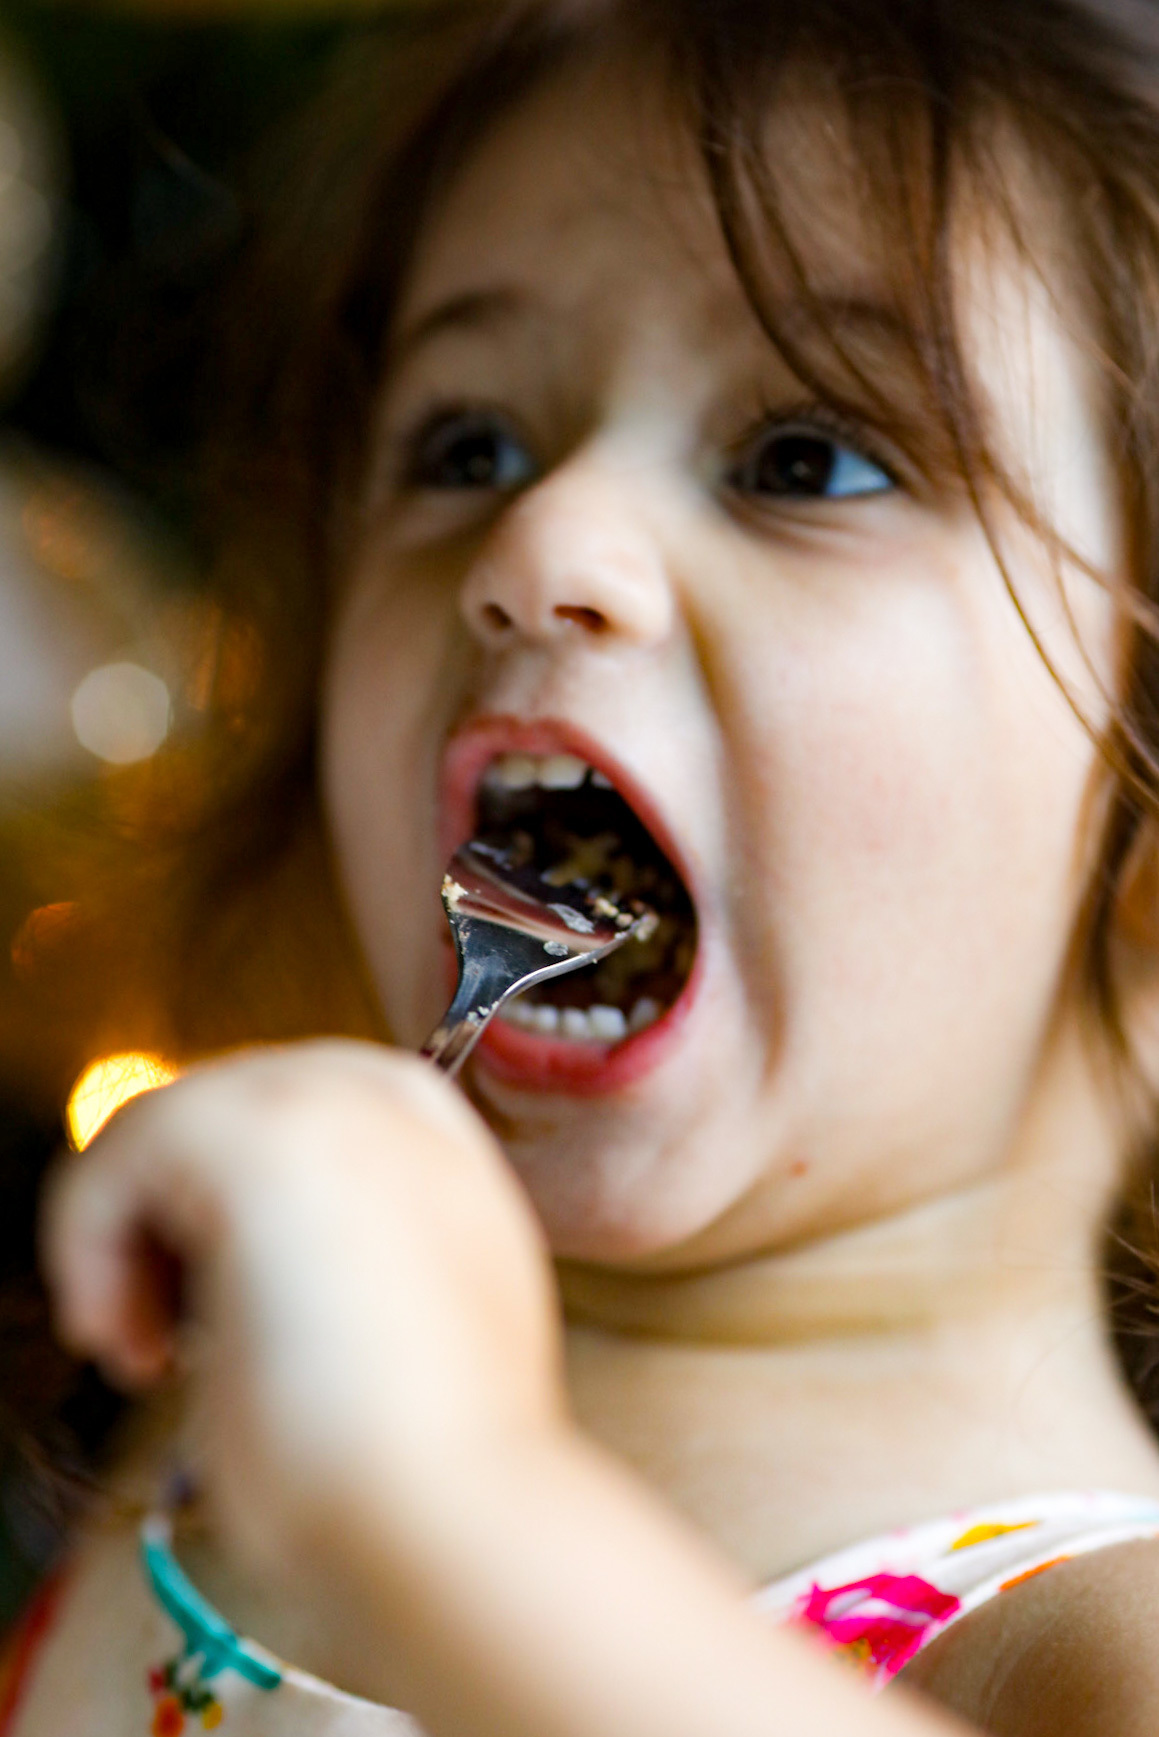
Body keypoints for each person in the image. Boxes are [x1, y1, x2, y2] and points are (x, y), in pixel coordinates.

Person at [16, 0, 1159, 1730]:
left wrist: (443, 1503)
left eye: (808, 459)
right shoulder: (258, 1399)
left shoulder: (1093, 1639)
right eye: (466, 447)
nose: (535, 540)